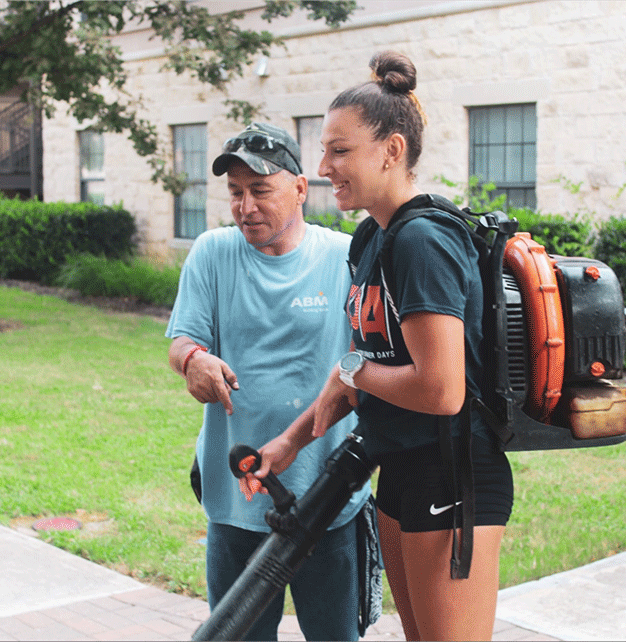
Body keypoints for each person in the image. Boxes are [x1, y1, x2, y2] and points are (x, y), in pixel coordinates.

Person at [241, 52, 514, 641]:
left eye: (339, 150)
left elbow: (440, 391)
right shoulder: (372, 235)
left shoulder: (422, 241)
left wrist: (358, 372)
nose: (322, 166)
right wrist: (290, 442)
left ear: (391, 150)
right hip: (402, 470)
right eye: (323, 150)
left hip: (454, 476)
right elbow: (361, 366)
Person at [166, 122, 371, 641]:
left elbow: (365, 365)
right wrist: (195, 360)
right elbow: (183, 341)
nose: (245, 206)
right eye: (235, 192)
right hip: (237, 499)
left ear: (300, 189)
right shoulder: (212, 253)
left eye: (260, 190)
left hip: (328, 496)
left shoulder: (346, 257)